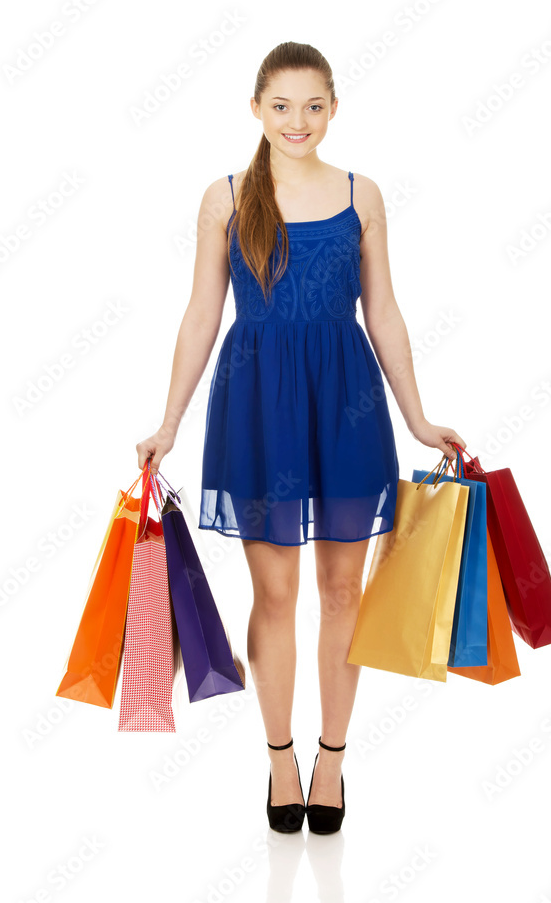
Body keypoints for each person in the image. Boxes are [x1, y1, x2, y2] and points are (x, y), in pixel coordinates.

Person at [136, 41, 466, 835]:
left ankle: (332, 760)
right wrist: (169, 420)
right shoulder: (225, 197)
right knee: (275, 593)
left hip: (345, 402)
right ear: (255, 108)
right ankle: (279, 758)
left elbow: (382, 314)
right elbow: (200, 317)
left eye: (313, 105)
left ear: (333, 108)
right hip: (255, 407)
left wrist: (418, 416)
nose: (297, 120)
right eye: (281, 106)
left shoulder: (363, 194)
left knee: (343, 592)